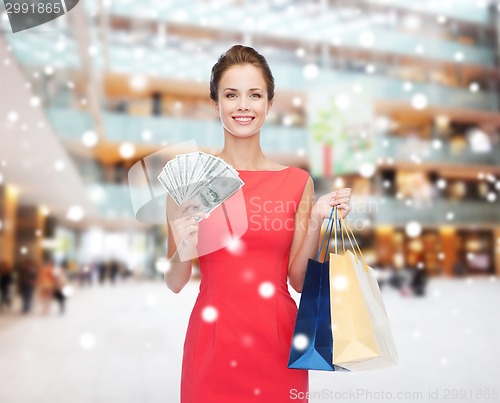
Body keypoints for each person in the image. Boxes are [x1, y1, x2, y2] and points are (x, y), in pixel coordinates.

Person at [164, 45, 352, 403]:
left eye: (254, 95)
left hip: (277, 341)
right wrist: (184, 245)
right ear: (215, 102)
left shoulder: (297, 182)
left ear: (269, 102)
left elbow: (297, 281)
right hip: (213, 340)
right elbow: (175, 282)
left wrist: (315, 220)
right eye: (231, 95)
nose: (243, 106)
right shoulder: (188, 180)